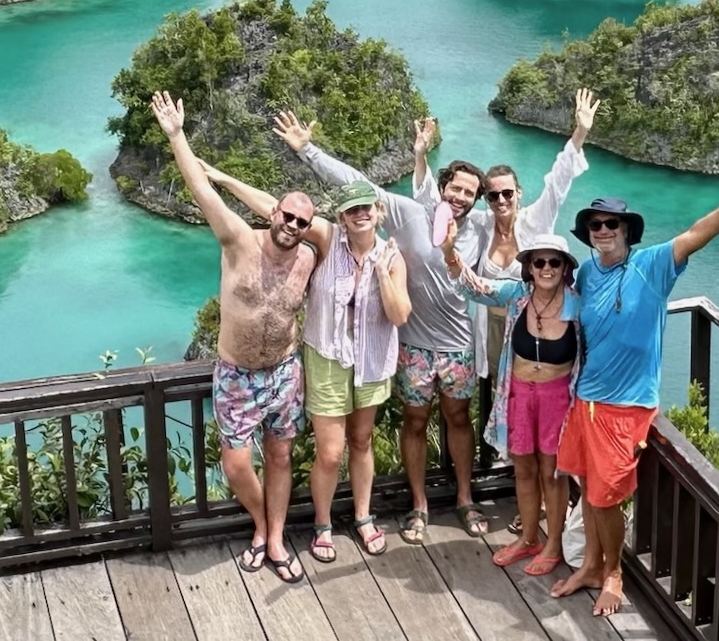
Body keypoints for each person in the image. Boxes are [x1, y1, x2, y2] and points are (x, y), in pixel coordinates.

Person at [552, 157, 719, 617]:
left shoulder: (651, 265)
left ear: (627, 230)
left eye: (610, 224)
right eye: (594, 225)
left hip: (626, 406)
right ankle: (590, 565)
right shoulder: (587, 274)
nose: (602, 230)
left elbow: (693, 236)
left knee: (605, 497)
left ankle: (614, 572)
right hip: (585, 399)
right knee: (588, 487)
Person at [277, 110, 489, 543]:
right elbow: (357, 185)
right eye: (456, 188)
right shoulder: (409, 213)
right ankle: (418, 505)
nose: (461, 197)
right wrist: (307, 150)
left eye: (470, 193)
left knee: (459, 419)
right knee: (414, 422)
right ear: (442, 187)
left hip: (458, 343)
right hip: (412, 343)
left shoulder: (480, 232)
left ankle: (465, 499)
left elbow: (509, 250)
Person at [202, 162, 412, 565]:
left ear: (378, 211)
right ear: (342, 217)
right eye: (351, 210)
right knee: (330, 453)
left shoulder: (391, 257)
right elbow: (280, 212)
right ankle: (322, 524)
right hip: (328, 358)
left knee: (362, 441)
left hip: (370, 361)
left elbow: (400, 314)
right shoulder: (329, 240)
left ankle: (364, 516)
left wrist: (382, 274)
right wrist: (224, 179)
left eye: (366, 207)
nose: (360, 214)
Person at [149, 90, 318, 584]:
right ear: (273, 213)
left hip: (285, 372)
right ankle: (263, 524)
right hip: (237, 375)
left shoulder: (309, 257)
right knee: (237, 464)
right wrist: (177, 136)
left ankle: (274, 538)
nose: (292, 225)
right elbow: (203, 192)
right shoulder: (239, 240)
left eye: (302, 222)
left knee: (281, 455)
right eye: (286, 216)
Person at [412, 88, 599, 375]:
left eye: (507, 193)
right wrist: (420, 156)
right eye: (493, 195)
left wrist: (580, 132)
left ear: (518, 193)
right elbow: (437, 207)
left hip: (532, 322)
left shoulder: (536, 220)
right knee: (493, 383)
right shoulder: (481, 223)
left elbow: (558, 182)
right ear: (486, 199)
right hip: (490, 324)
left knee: (527, 382)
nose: (501, 200)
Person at [441, 227, 581, 577]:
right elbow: (472, 287)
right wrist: (449, 252)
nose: (546, 268)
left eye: (554, 262)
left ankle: (553, 544)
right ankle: (529, 538)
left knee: (552, 472)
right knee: (523, 469)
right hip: (518, 394)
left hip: (558, 400)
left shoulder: (578, 305)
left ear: (565, 267)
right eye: (539, 262)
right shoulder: (517, 295)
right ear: (529, 267)